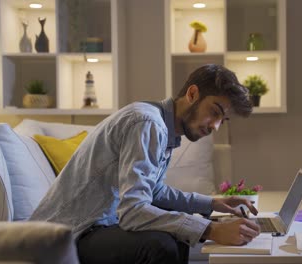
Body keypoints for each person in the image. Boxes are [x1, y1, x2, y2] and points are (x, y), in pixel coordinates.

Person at [30, 64, 260, 264]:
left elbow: (154, 191)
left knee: (176, 234)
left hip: (94, 227)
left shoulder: (163, 127)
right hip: (64, 236)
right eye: (215, 112)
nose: (215, 127)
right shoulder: (147, 123)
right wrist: (211, 230)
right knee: (162, 246)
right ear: (192, 93)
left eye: (223, 120)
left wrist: (212, 204)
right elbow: (133, 211)